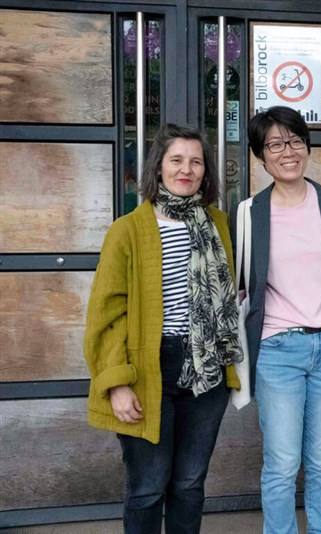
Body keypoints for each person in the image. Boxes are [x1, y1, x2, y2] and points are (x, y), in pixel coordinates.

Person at [84, 124, 242, 534]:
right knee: (148, 487)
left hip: (206, 369)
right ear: (158, 168)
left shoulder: (219, 224)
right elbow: (106, 313)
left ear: (206, 173)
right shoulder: (128, 230)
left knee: (190, 484)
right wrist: (116, 383)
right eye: (176, 160)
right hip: (147, 368)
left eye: (195, 161)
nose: (186, 169)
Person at [238, 105, 321, 534]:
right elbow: (240, 287)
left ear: (306, 146)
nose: (286, 151)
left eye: (294, 141)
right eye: (274, 144)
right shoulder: (249, 213)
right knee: (282, 462)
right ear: (260, 156)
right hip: (276, 350)